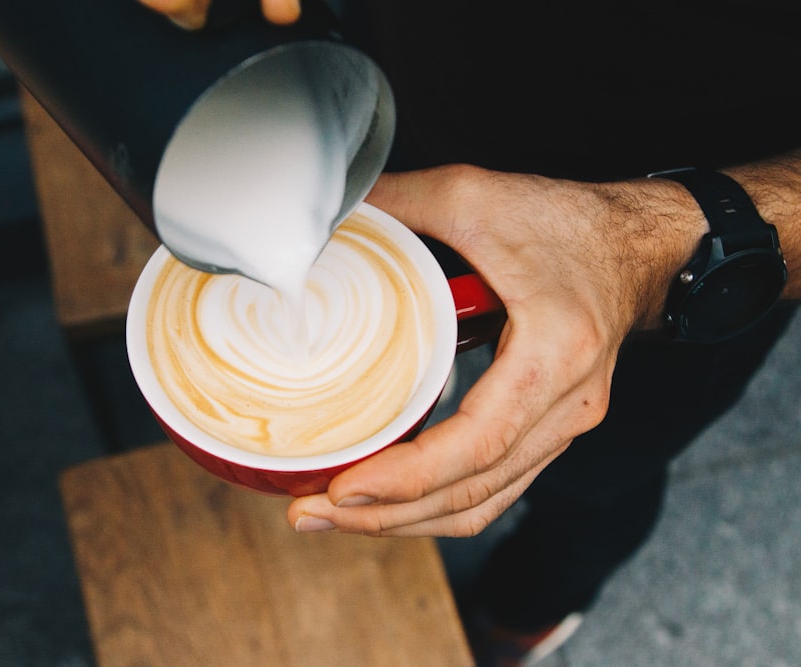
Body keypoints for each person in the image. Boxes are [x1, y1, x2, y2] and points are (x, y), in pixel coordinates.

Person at [142, 1, 801, 663]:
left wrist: (652, 247)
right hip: (386, 87)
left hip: (684, 236)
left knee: (592, 471)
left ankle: (529, 606)